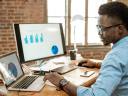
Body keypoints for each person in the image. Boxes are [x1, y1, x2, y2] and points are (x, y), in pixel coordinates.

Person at [44, 1, 128, 96]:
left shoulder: (115, 56)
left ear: (120, 29)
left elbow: (96, 94)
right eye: (98, 28)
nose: (99, 33)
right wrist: (97, 64)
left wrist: (61, 81)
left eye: (102, 28)